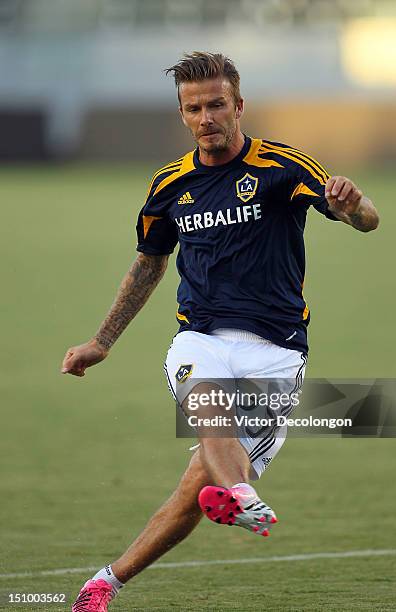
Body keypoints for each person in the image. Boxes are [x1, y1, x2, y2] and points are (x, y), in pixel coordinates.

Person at [63, 52, 379, 611]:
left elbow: (364, 218)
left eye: (216, 105)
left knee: (190, 497)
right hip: (200, 337)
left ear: (238, 105)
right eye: (194, 108)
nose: (206, 117)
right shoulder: (168, 186)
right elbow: (149, 265)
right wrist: (101, 341)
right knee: (209, 409)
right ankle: (240, 496)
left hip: (276, 354)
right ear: (182, 114)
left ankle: (104, 581)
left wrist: (352, 206)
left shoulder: (282, 166)